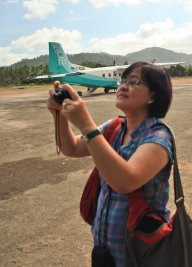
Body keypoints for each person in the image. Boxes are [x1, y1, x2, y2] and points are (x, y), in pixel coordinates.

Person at [47, 61, 174, 267]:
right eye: (124, 80)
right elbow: (72, 148)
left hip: (140, 251)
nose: (123, 86)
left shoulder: (159, 136)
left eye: (134, 82)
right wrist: (59, 114)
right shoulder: (115, 126)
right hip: (105, 246)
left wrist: (87, 125)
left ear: (153, 96)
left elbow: (125, 181)